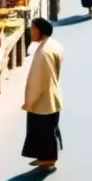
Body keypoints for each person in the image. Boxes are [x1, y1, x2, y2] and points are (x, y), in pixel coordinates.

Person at [22, 18, 64, 170]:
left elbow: (39, 81)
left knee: (43, 130)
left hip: (43, 99)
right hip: (52, 94)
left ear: (40, 30)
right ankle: (47, 158)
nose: (31, 32)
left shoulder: (43, 53)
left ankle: (48, 160)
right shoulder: (54, 45)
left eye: (33, 29)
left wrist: (30, 101)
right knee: (48, 129)